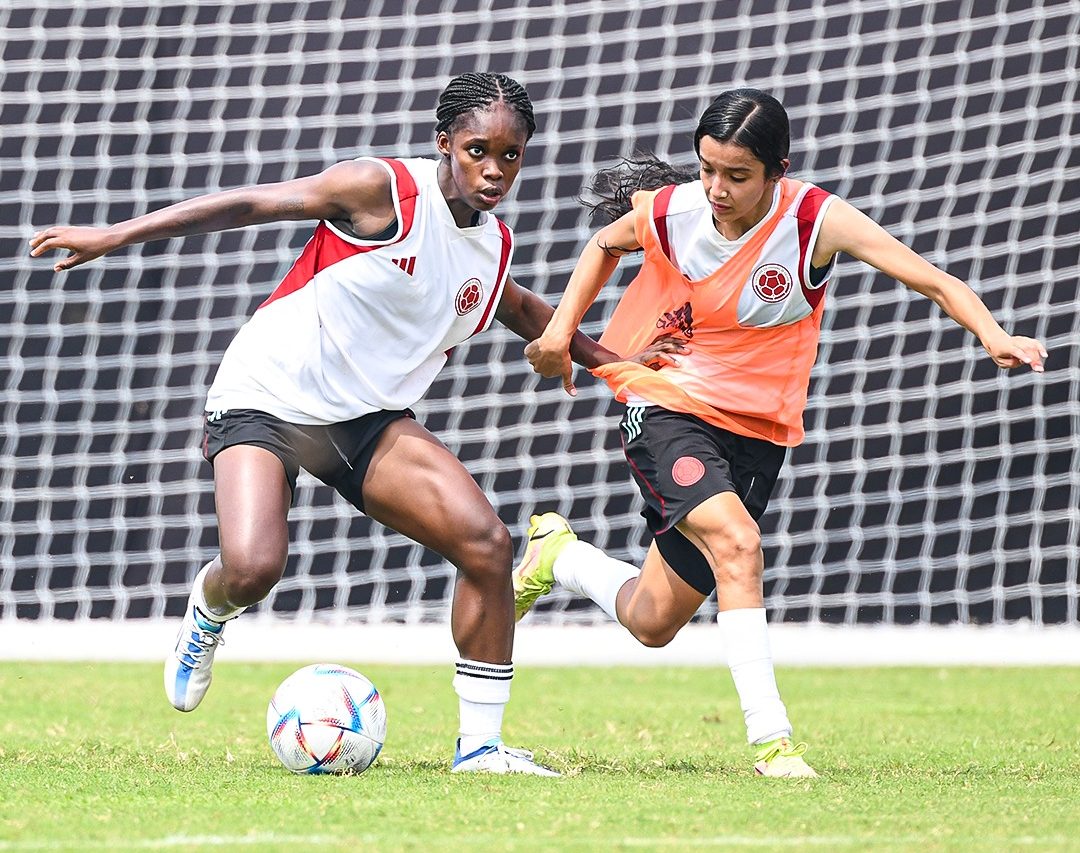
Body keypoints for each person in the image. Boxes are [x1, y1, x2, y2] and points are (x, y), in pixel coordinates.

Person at [29, 72, 674, 776]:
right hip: (267, 395)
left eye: (510, 155)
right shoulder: (383, 191)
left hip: (362, 420)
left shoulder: (490, 246)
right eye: (477, 150)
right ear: (443, 144)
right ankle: (208, 614)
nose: (493, 170)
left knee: (486, 545)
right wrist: (117, 234)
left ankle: (481, 748)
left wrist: (620, 364)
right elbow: (253, 202)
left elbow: (523, 311)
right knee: (252, 567)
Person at [512, 88, 1048, 778]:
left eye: (736, 176)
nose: (716, 190)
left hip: (758, 436)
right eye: (706, 169)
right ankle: (774, 743)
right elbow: (602, 243)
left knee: (651, 621)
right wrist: (559, 334)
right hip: (670, 406)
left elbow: (934, 281)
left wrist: (993, 333)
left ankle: (558, 556)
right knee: (739, 542)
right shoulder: (679, 210)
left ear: (777, 170)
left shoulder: (815, 221)